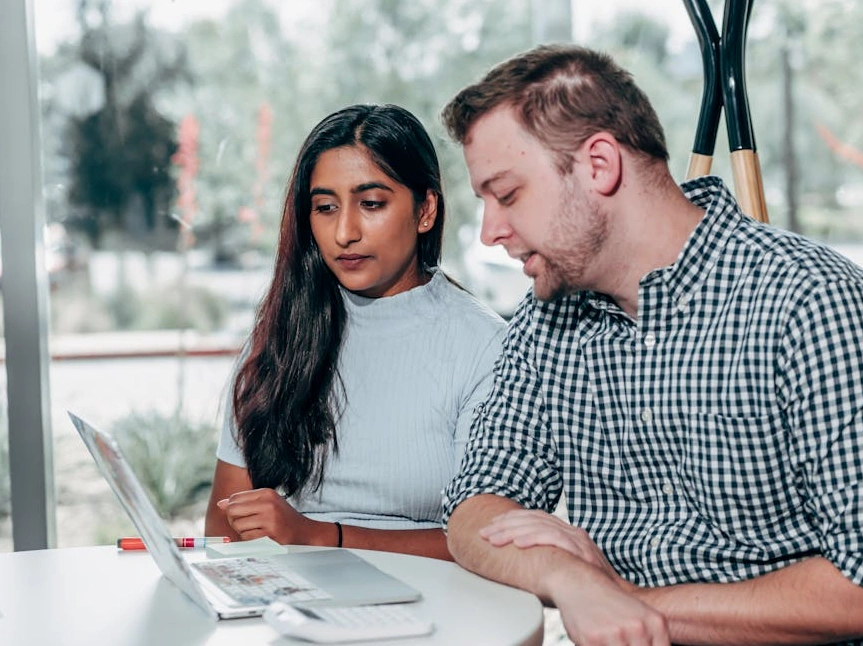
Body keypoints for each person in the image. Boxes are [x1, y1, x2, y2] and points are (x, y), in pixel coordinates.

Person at [440, 44, 863, 645]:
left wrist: (625, 603)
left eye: (506, 194)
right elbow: (473, 511)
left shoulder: (810, 302)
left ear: (599, 165)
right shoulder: (546, 322)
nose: (491, 231)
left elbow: (857, 585)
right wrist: (571, 582)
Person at [205, 104, 504, 561]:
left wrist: (320, 535)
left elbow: (495, 545)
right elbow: (222, 528)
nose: (345, 232)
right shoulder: (283, 333)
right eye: (325, 207)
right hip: (293, 608)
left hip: (440, 611)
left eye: (371, 204)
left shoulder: (485, 348)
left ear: (425, 210)